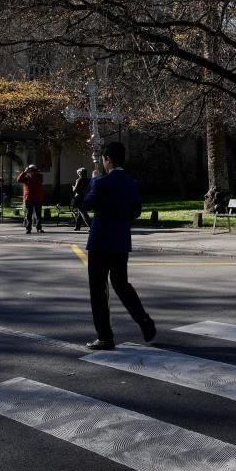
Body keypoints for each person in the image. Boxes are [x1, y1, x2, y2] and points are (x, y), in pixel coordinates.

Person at [81, 141, 155, 350]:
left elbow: (86, 204)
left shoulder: (101, 183)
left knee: (98, 290)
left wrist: (91, 184)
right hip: (121, 241)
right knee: (122, 284)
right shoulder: (131, 183)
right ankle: (144, 320)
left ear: (108, 159)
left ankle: (105, 336)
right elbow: (136, 211)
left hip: (100, 241)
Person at [16, 164, 45, 233]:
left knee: (38, 214)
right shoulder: (26, 177)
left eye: (33, 170)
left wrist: (36, 171)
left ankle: (39, 228)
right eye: (31, 170)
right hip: (28, 198)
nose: (32, 172)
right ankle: (28, 228)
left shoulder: (39, 176)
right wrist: (24, 172)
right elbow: (18, 180)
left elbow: (39, 180)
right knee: (28, 214)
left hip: (37, 198)